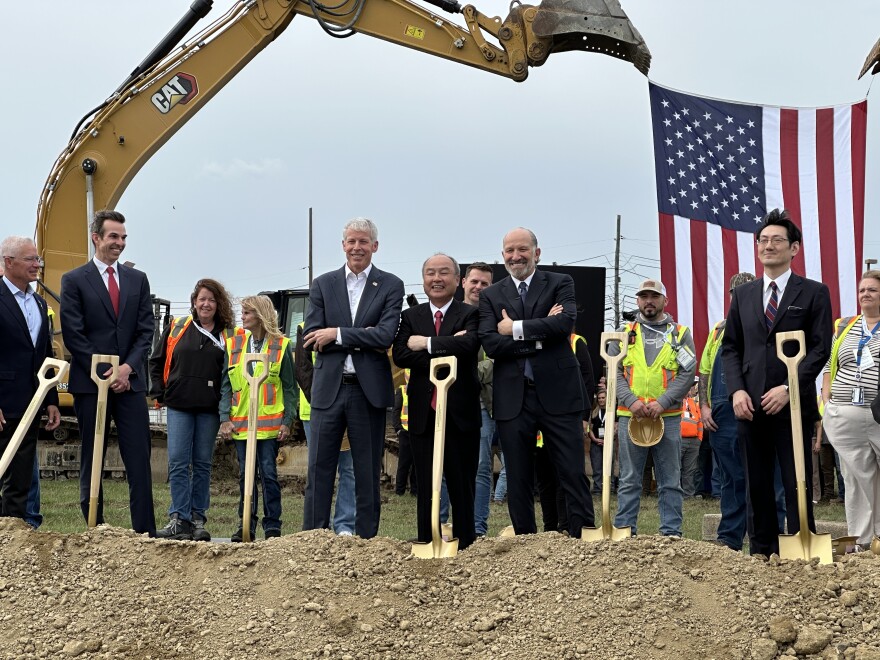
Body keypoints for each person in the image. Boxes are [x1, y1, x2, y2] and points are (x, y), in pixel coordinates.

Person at [722, 208, 832, 557]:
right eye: (763, 241)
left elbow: (819, 349)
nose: (768, 246)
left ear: (794, 248)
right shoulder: (744, 295)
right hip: (750, 406)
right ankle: (762, 551)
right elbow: (731, 347)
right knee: (756, 483)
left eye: (777, 240)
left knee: (795, 479)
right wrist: (737, 390)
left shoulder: (814, 293)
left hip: (792, 404)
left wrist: (789, 388)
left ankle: (802, 549)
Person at [478, 227, 594, 537]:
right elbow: (491, 343)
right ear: (503, 256)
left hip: (558, 393)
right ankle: (524, 541)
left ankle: (582, 536)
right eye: (509, 251)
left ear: (536, 253)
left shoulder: (560, 283)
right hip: (513, 398)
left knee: (570, 469)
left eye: (522, 249)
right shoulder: (491, 294)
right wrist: (541, 336)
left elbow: (564, 324)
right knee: (518, 475)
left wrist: (513, 328)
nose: (516, 256)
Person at [302, 217, 404, 539]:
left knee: (367, 471)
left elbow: (385, 335)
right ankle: (312, 540)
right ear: (343, 245)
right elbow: (312, 335)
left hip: (367, 391)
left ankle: (366, 542)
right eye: (351, 241)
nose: (357, 247)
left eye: (363, 242)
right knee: (318, 470)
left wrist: (338, 334)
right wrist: (362, 335)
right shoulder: (323, 284)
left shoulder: (390, 285)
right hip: (329, 389)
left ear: (375, 246)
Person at [60, 210, 156, 535]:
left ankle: (145, 533)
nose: (120, 243)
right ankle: (94, 527)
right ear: (96, 238)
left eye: (124, 237)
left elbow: (146, 331)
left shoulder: (137, 280)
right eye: (113, 236)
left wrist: (126, 369)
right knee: (93, 454)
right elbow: (73, 333)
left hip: (130, 384)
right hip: (90, 386)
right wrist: (103, 372)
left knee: (139, 458)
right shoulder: (74, 280)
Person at [393, 253, 481, 549]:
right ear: (424, 279)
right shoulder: (410, 317)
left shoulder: (469, 313)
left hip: (460, 413)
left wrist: (426, 343)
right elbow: (401, 355)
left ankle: (466, 544)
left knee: (461, 484)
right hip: (423, 413)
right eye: (430, 273)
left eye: (444, 273)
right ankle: (426, 540)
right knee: (426, 485)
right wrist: (448, 345)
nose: (437, 279)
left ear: (458, 280)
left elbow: (469, 347)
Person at [149, 279, 239, 541]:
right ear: (194, 302)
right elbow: (156, 361)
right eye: (202, 299)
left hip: (209, 410)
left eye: (211, 299)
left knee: (202, 464)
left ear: (218, 303)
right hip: (179, 406)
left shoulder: (228, 336)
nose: (206, 304)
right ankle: (179, 518)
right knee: (178, 461)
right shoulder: (178, 328)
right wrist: (160, 393)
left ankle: (198, 518)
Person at [611, 278, 696, 537]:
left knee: (670, 480)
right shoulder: (624, 333)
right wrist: (631, 401)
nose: (649, 301)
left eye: (654, 296)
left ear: (664, 301)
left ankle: (671, 533)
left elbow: (687, 372)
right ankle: (625, 531)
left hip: (667, 417)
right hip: (630, 415)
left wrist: (663, 402)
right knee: (628, 479)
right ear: (637, 301)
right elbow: (614, 371)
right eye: (644, 296)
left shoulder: (680, 334)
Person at [219, 295, 295, 541]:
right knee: (246, 476)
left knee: (269, 474)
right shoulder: (235, 345)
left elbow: (290, 387)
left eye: (247, 313)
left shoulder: (281, 345)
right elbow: (226, 386)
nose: (243, 317)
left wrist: (287, 420)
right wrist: (224, 418)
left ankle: (272, 526)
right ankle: (245, 525)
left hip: (270, 427)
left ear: (261, 315)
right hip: (241, 423)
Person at [0, 237, 61, 521]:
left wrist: (51, 400)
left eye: (38, 259)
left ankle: (12, 534)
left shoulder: (38, 303)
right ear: (9, 262)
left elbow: (45, 355)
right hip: (3, 402)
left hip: (30, 404)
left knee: (21, 476)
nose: (37, 265)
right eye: (30, 259)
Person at [821, 270, 880, 552]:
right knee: (854, 477)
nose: (865, 294)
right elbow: (830, 365)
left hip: (877, 414)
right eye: (862, 290)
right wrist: (826, 398)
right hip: (844, 413)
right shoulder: (844, 326)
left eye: (873, 290)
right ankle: (860, 541)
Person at [698, 272, 754, 551]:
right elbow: (706, 371)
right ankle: (729, 538)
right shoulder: (719, 330)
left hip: (753, 410)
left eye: (747, 292)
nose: (740, 297)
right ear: (731, 296)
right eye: (736, 293)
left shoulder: (766, 324)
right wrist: (704, 406)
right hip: (721, 412)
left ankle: (764, 538)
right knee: (731, 477)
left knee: (757, 475)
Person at [295, 321, 356, 535]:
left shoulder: (352, 324)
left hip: (350, 406)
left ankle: (345, 525)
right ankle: (319, 527)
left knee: (349, 468)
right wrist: (323, 404)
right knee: (319, 468)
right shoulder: (306, 326)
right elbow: (303, 370)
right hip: (316, 410)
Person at [463, 261, 496, 537]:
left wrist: (467, 372)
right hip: (449, 402)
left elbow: (497, 359)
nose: (478, 287)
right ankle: (444, 523)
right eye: (474, 281)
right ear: (464, 283)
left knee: (481, 467)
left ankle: (477, 529)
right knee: (447, 466)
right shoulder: (452, 314)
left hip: (483, 405)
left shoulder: (495, 319)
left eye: (484, 284)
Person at [393, 369, 417, 496]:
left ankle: (415, 491)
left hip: (418, 431)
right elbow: (396, 410)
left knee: (416, 464)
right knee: (404, 463)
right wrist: (398, 429)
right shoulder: (402, 389)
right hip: (405, 432)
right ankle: (399, 490)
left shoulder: (421, 390)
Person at [679, 382, 704, 498]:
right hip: (678, 440)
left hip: (694, 441)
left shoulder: (694, 403)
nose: (689, 389)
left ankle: (688, 494)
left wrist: (699, 439)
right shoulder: (675, 402)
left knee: (690, 470)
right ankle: (674, 493)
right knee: (675, 468)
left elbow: (700, 422)